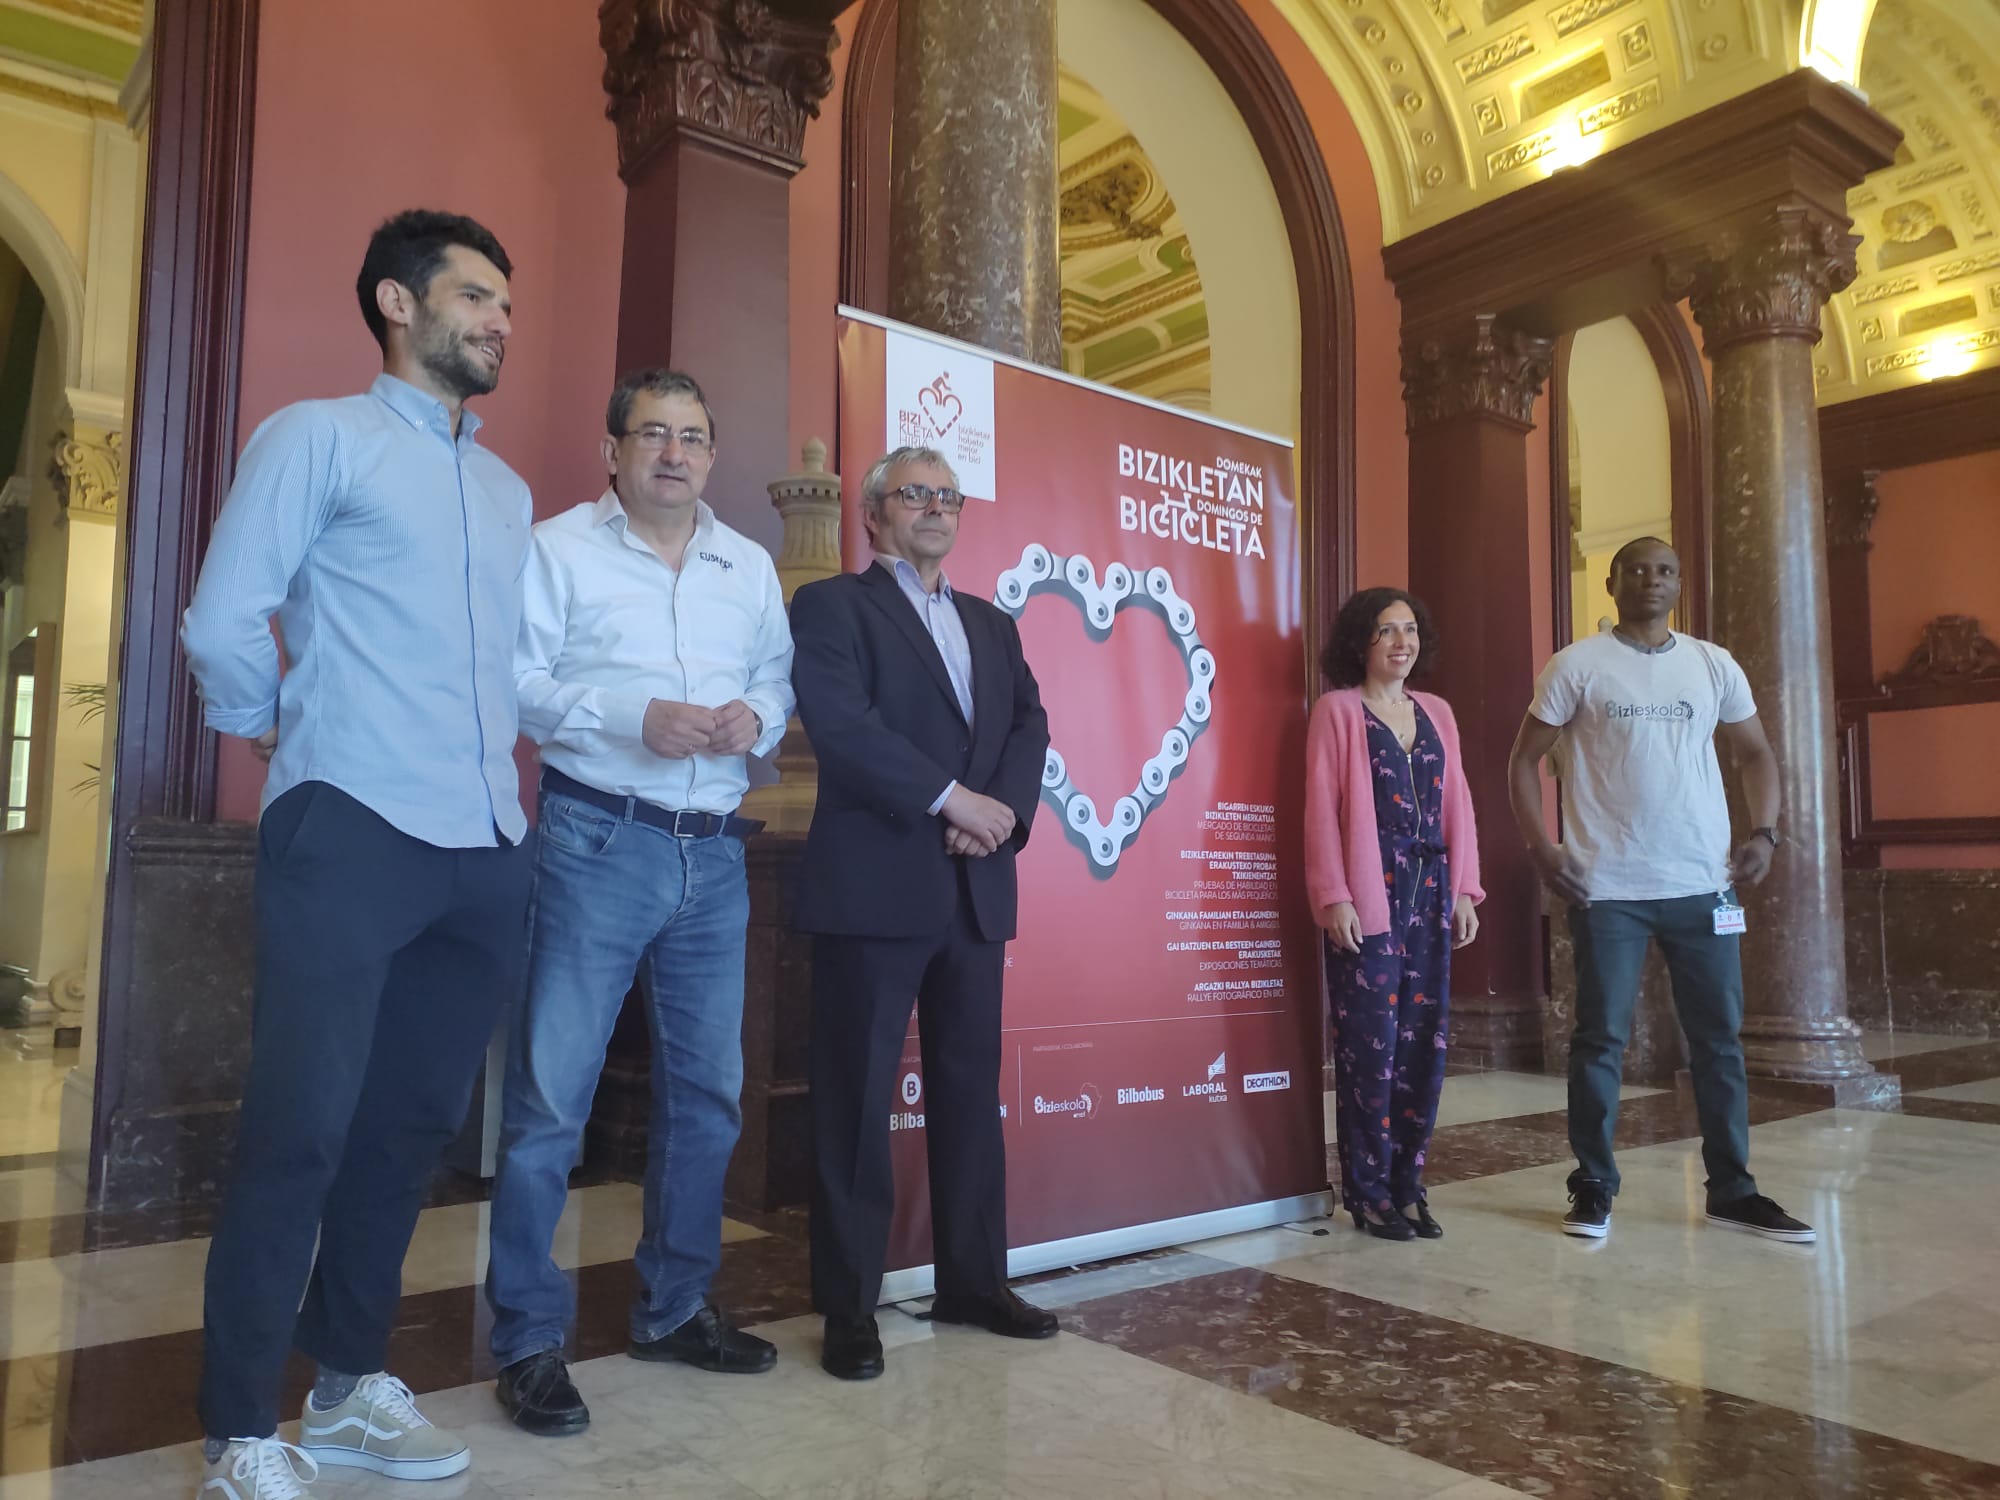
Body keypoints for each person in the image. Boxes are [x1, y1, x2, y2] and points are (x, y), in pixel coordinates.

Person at [180, 210, 532, 1499]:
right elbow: (225, 614)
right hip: (354, 825)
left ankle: (343, 1389)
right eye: (477, 296)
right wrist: (271, 727)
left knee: (408, 1130)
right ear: (397, 301)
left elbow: (508, 665)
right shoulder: (318, 437)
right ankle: (237, 1433)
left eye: (507, 304)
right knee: (300, 1129)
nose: (500, 320)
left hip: (487, 843)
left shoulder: (504, 493)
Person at [484, 369, 795, 1434]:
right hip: (595, 838)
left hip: (713, 857)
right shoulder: (558, 547)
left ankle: (673, 1307)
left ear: (712, 456)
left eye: (693, 437)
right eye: (652, 434)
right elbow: (514, 682)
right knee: (548, 1105)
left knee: (708, 1097)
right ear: (611, 450)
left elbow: (775, 675)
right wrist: (631, 718)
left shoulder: (746, 564)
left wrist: (753, 716)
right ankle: (527, 1338)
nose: (674, 452)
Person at [789, 446, 1053, 1380]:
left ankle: (974, 1281)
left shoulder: (992, 622)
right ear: (873, 514)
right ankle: (851, 1306)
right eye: (915, 494)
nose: (936, 508)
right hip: (874, 887)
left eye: (948, 495)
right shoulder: (831, 608)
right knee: (856, 1101)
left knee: (968, 1094)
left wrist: (1002, 815)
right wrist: (953, 799)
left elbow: (1030, 723)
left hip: (975, 888)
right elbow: (843, 726)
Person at [1505, 536, 1815, 1245]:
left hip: (1703, 884)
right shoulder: (1577, 665)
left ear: (1680, 583)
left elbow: (1756, 752)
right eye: (1638, 569)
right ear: (1612, 582)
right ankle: (1593, 1185)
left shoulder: (1713, 664)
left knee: (1718, 1043)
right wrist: (1541, 848)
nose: (1652, 579)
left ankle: (1733, 1190)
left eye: (1666, 570)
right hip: (1604, 884)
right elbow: (1522, 761)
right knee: (1600, 1038)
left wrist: (1764, 833)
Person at [1305, 588, 1482, 1242]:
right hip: (1369, 899)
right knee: (1368, 1056)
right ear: (1361, 642)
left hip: (1432, 896)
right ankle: (1369, 1192)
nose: (1401, 642)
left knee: (1423, 1050)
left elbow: (1457, 803)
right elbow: (1320, 808)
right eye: (1386, 631)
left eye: (1409, 629)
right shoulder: (1338, 711)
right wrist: (1334, 897)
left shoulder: (1437, 711)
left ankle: (1409, 1185)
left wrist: (1465, 888)